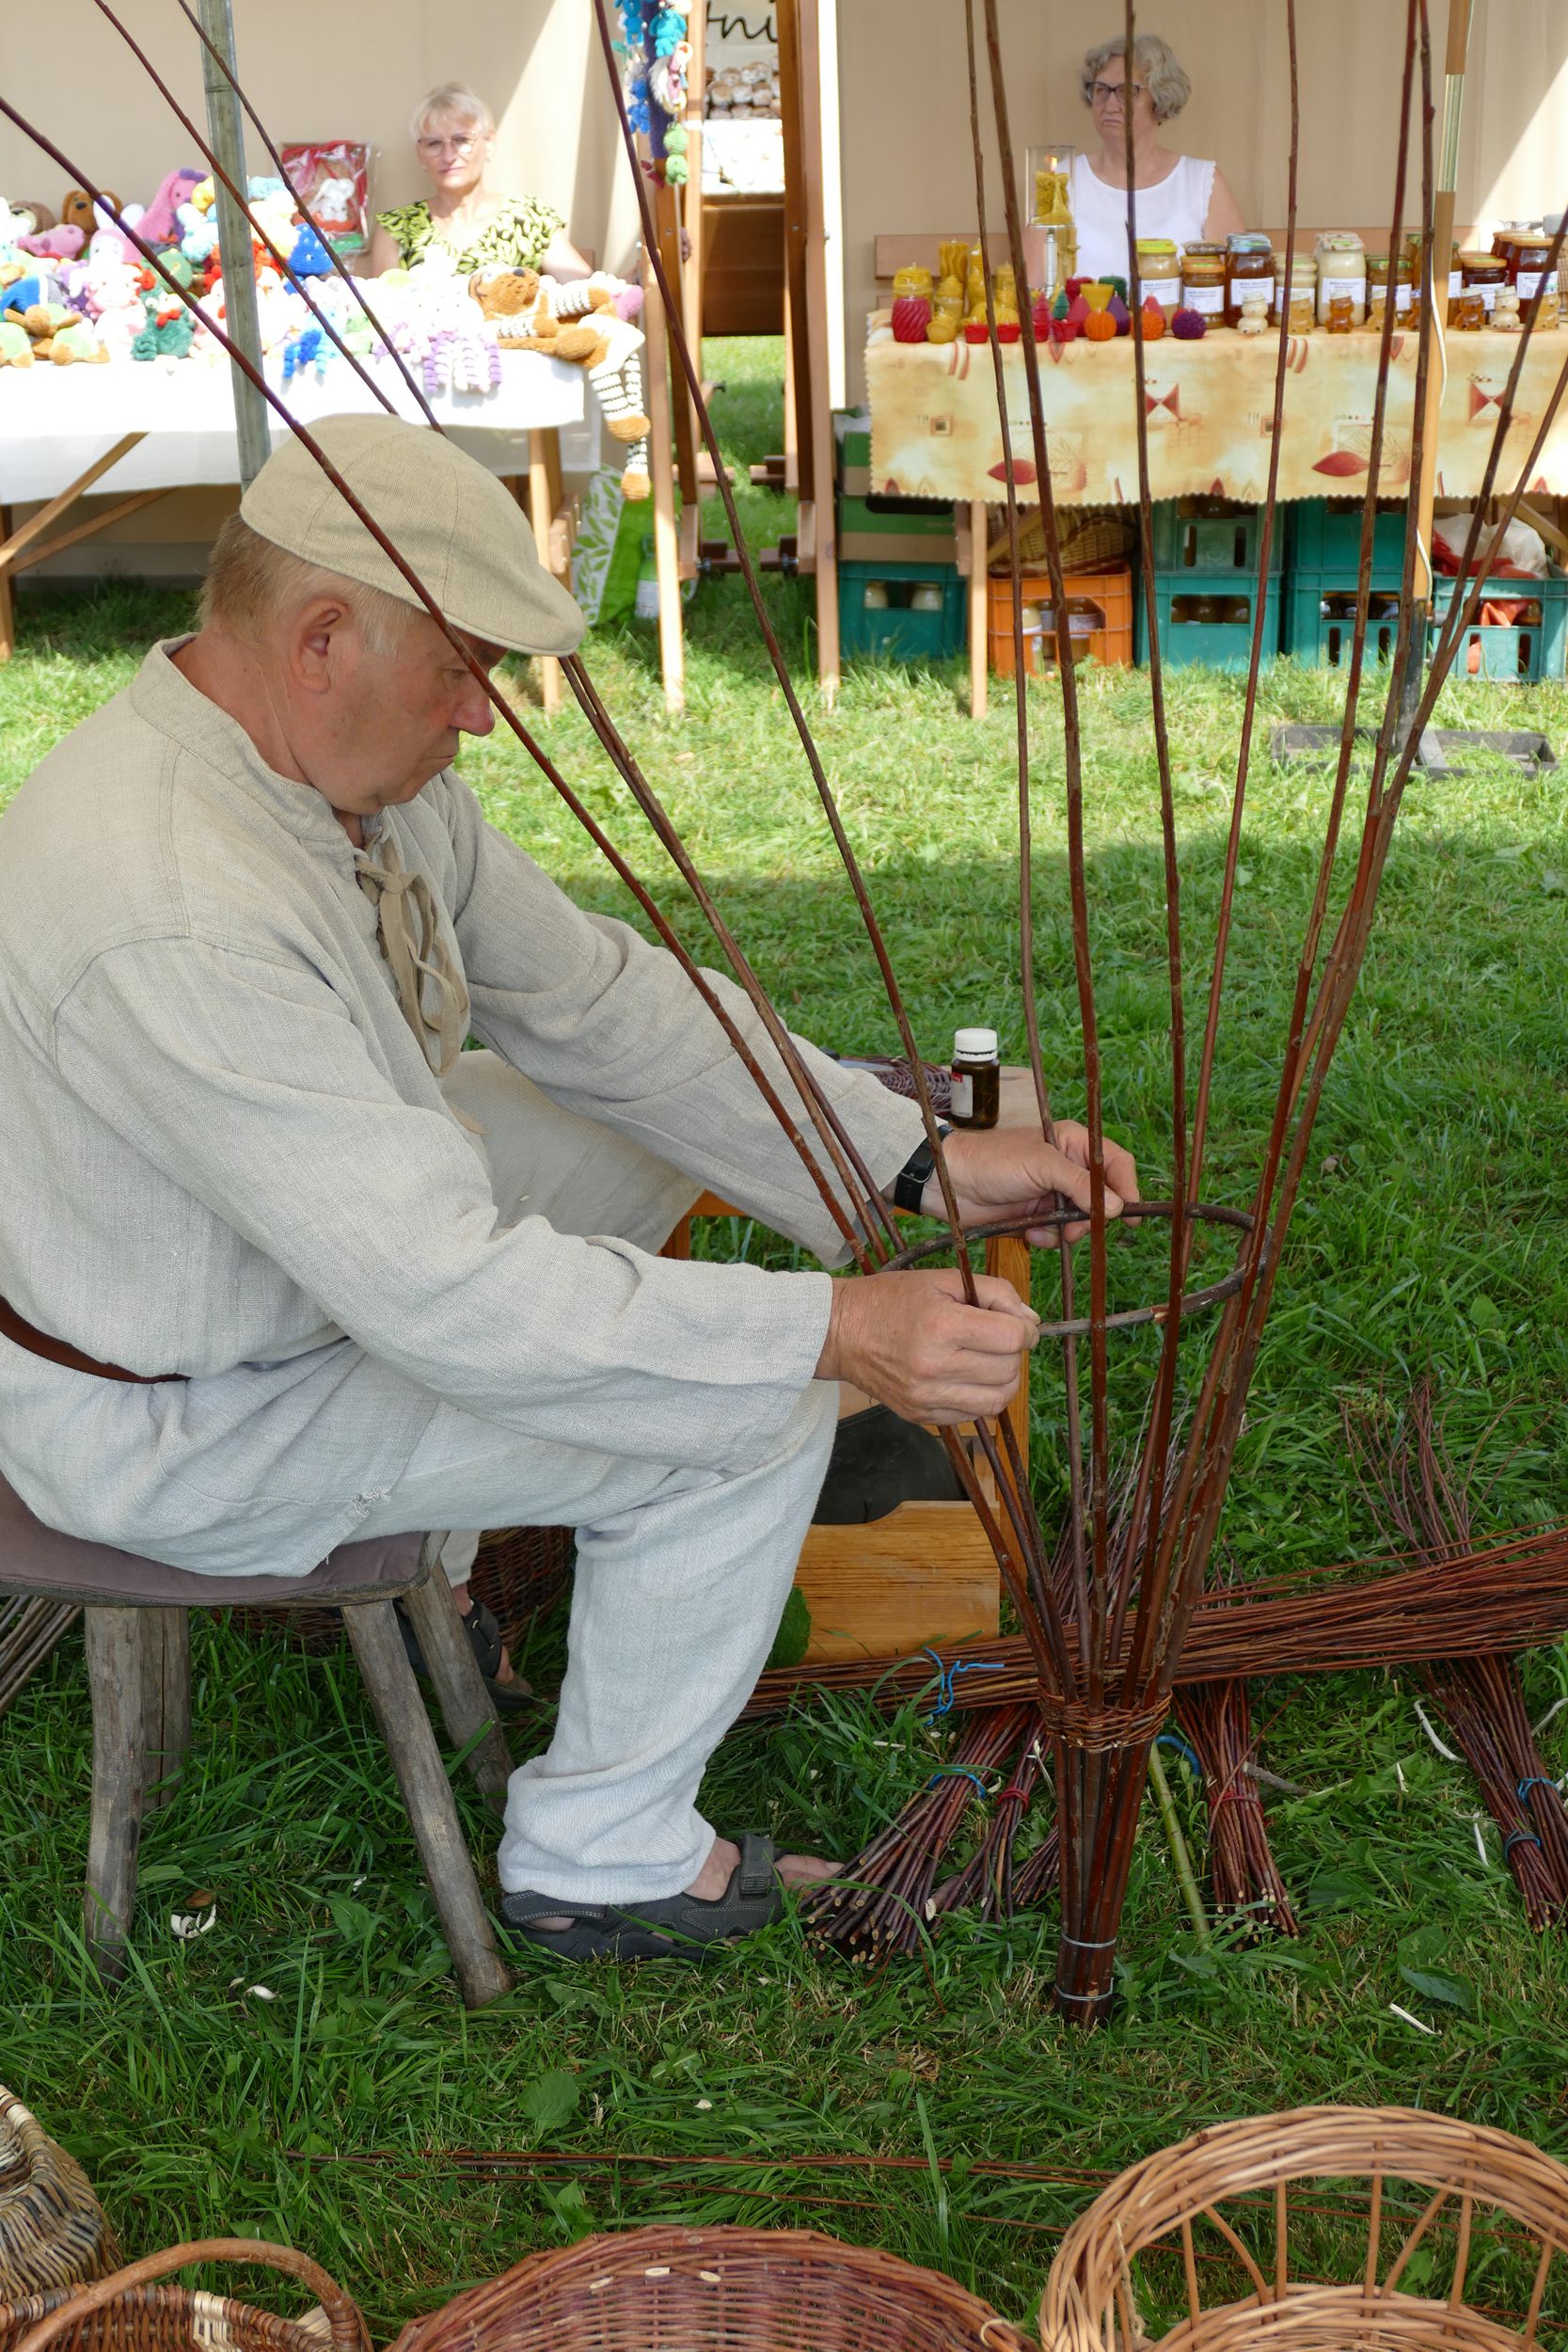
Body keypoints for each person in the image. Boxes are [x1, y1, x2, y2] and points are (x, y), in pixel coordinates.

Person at [0, 414, 1138, 1963]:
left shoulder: (327, 767)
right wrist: (821, 1336)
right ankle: (602, 1853)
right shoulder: (171, 900)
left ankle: (484, 1560)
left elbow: (597, 1008)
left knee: (623, 1121)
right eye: (462, 668)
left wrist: (912, 1154)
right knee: (751, 1411)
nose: (482, 716)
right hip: (181, 1412)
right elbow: (442, 1292)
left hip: (284, 1257)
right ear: (323, 636)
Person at [364, 81, 592, 281]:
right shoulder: (397, 228)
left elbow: (587, 290)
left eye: (461, 140)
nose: (448, 156)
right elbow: (384, 313)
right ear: (420, 153)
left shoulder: (527, 217)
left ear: (489, 141)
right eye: (434, 143)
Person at [1069, 34, 1244, 283]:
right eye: (1101, 90)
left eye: (1125, 91)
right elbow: (1032, 291)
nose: (1109, 105)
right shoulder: (1061, 182)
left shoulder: (1202, 182)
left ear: (1160, 99)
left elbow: (1236, 288)